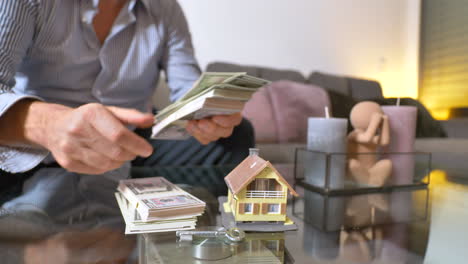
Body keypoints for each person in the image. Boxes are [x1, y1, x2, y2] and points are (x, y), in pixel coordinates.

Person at [0, 0, 252, 227]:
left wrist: (206, 111)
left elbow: (188, 88)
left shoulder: (166, 9)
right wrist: (48, 125)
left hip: (132, 142)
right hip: (32, 147)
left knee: (235, 136)